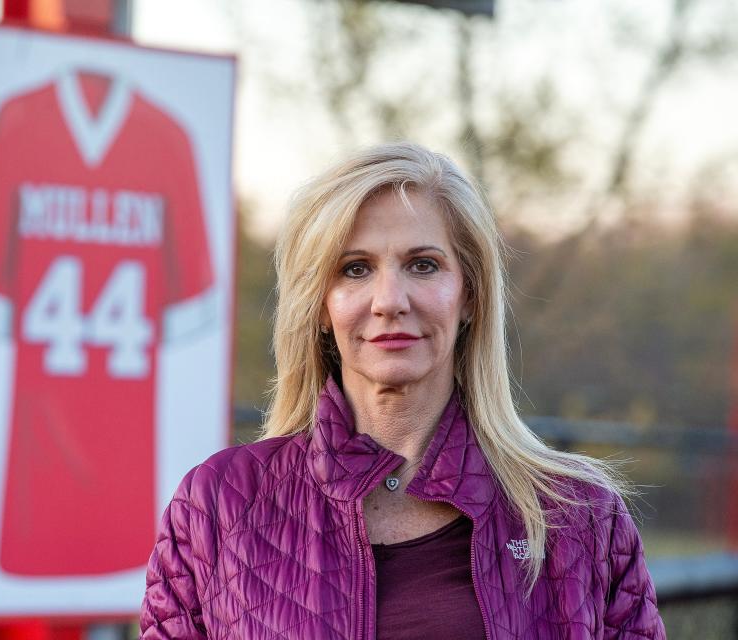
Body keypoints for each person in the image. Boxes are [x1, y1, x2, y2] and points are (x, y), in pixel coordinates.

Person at [139, 142, 665, 639]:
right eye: (356, 269)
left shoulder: (581, 519)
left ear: (470, 297)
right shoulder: (215, 508)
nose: (390, 300)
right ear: (320, 306)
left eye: (423, 265)